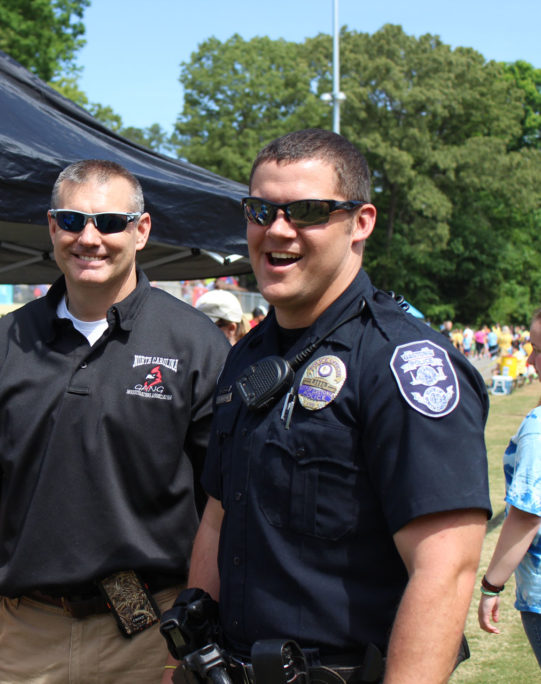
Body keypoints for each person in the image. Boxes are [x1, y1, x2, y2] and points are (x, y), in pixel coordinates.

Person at [183, 129, 490, 683]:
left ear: (361, 222)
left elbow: (446, 567)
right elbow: (216, 519)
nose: (278, 229)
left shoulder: (400, 362)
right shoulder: (245, 356)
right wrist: (180, 663)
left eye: (307, 211)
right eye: (261, 209)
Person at [0, 159, 230, 684]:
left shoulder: (194, 343)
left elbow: (223, 504)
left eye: (110, 222)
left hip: (150, 630)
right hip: (26, 635)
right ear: (51, 228)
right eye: (72, 221)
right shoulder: (6, 342)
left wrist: (197, 635)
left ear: (141, 231)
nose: (89, 237)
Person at [478, 307, 541, 667]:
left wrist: (491, 585)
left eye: (537, 349)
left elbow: (526, 516)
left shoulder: (537, 429)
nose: (529, 358)